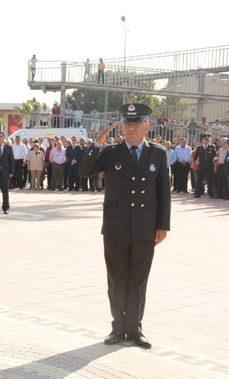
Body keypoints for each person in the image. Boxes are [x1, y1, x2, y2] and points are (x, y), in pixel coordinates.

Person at [79, 103, 171, 350]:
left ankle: (135, 328)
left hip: (145, 227)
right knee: (117, 279)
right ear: (122, 126)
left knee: (139, 280)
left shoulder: (158, 153)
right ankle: (118, 327)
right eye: (128, 124)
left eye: (136, 124)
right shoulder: (110, 152)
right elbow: (85, 172)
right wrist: (96, 144)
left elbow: (164, 192)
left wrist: (163, 225)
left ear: (146, 127)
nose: (131, 129)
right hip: (116, 228)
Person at [193, 133, 216, 198]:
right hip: (201, 167)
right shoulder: (199, 148)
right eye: (205, 139)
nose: (206, 141)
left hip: (209, 166)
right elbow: (195, 157)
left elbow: (214, 155)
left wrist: (215, 159)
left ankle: (211, 193)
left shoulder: (212, 147)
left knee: (210, 180)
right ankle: (198, 193)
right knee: (199, 181)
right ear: (202, 140)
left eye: (208, 140)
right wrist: (196, 160)